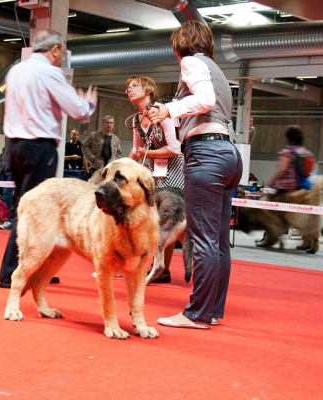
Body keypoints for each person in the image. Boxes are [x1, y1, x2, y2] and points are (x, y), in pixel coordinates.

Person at [146, 20, 243, 329]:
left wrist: (168, 110)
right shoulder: (218, 71)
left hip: (207, 155)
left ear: (180, 45)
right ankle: (212, 310)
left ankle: (196, 314)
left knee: (202, 240)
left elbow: (204, 101)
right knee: (218, 242)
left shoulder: (190, 62)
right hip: (229, 154)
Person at [0, 29, 98, 289]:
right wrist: (89, 105)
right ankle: (12, 272)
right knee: (37, 211)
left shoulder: (16, 71)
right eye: (61, 53)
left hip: (14, 146)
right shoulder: (50, 73)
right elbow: (76, 109)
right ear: (54, 50)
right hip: (39, 147)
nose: (60, 58)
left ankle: (34, 266)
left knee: (24, 206)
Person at [127, 75, 184, 283]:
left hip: (174, 171)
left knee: (167, 219)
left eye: (135, 86)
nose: (129, 90)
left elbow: (175, 149)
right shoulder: (136, 119)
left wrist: (148, 154)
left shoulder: (162, 112)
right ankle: (154, 265)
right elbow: (135, 151)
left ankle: (164, 269)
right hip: (153, 171)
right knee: (152, 219)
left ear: (149, 90)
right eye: (128, 87)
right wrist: (120, 168)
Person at [266, 125, 315, 193]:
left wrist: (271, 181)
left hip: (286, 191)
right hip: (302, 190)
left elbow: (282, 169)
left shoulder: (287, 152)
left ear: (288, 138)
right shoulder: (307, 153)